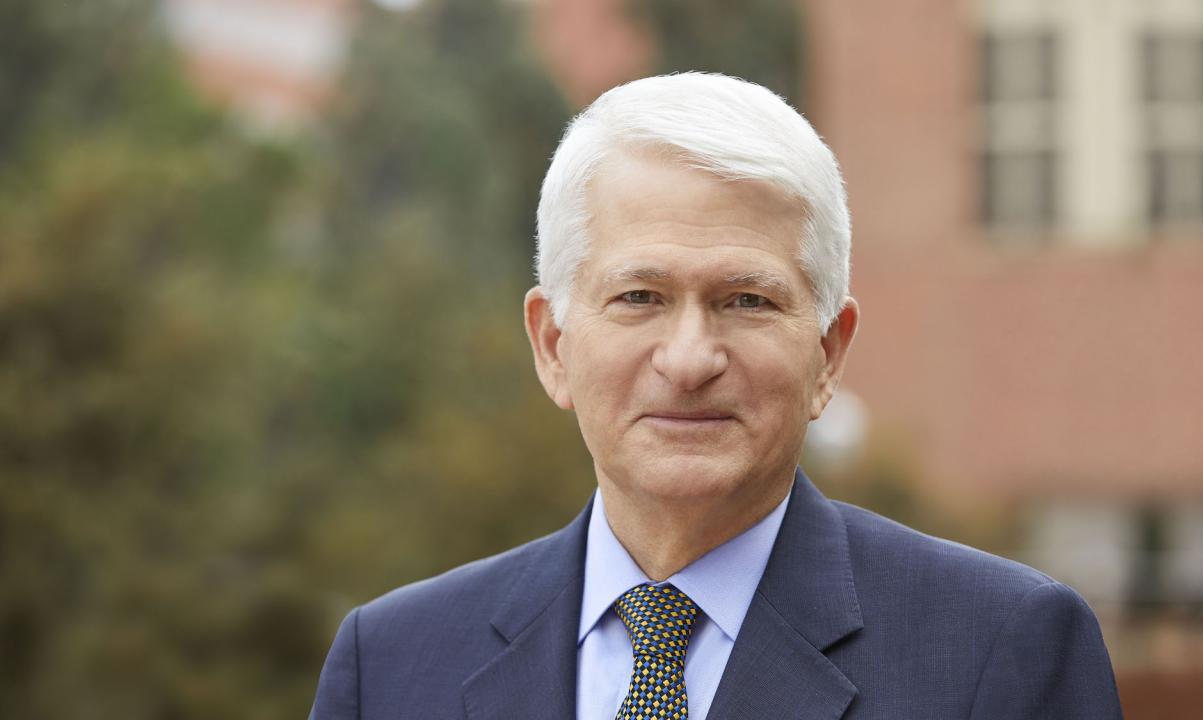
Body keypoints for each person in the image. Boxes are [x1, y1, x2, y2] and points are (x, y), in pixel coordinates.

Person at [310, 72, 1123, 720]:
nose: (691, 359)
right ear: (552, 345)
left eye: (747, 300)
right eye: (639, 297)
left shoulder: (999, 652)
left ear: (828, 354)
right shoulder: (389, 665)